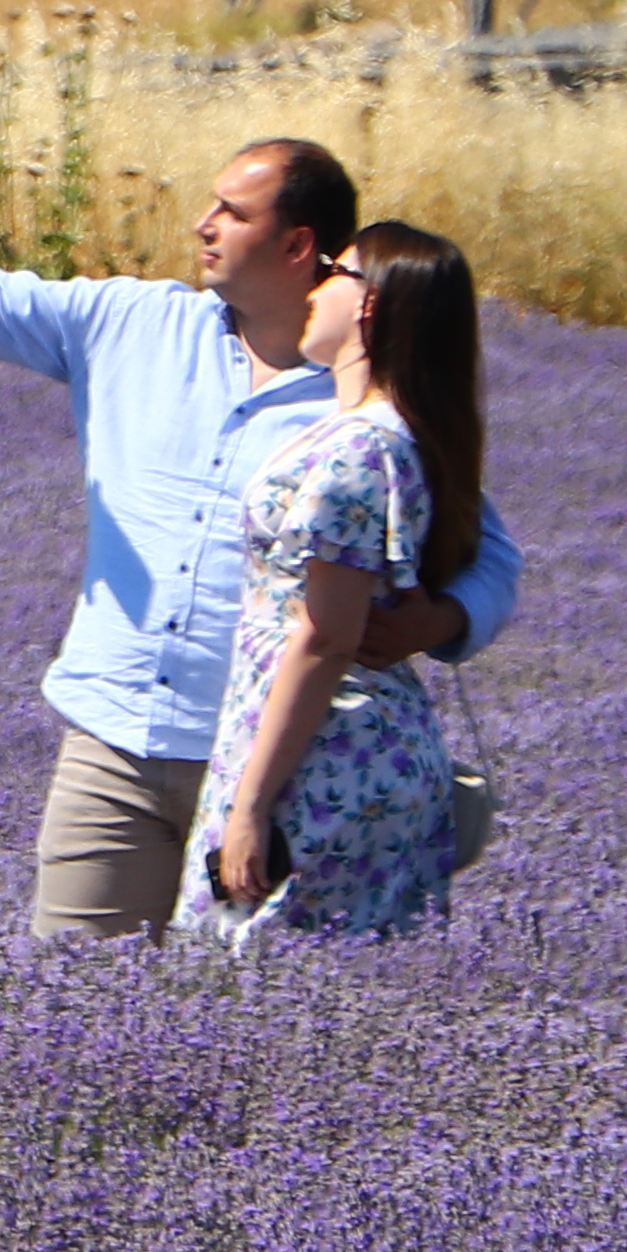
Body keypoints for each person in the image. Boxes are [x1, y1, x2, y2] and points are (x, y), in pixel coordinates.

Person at [0, 94, 520, 937]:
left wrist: (446, 617)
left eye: (231, 212)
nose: (202, 223)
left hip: (271, 765)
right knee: (74, 1009)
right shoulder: (132, 324)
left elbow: (489, 552)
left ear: (297, 244)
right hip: (115, 743)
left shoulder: (359, 405)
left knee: (258, 1031)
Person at [193, 223, 486, 942]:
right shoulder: (395, 434)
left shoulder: (357, 448)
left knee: (255, 989)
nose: (315, 289)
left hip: (322, 760)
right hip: (365, 756)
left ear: (370, 306)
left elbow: (324, 636)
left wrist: (250, 806)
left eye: (333, 272)